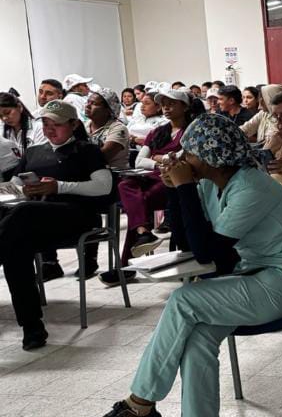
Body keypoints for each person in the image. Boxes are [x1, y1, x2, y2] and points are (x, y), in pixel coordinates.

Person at [75, 114, 282, 417]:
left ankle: (139, 406)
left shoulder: (252, 186)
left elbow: (212, 253)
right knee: (197, 340)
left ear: (211, 156)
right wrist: (180, 192)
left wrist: (184, 188)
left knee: (183, 301)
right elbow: (187, 241)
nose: (180, 160)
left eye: (188, 153)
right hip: (251, 275)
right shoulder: (211, 184)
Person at [1, 100, 114, 348]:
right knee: (14, 249)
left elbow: (104, 186)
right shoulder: (34, 152)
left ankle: (33, 328)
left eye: (57, 125)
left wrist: (59, 186)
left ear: (73, 125)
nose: (50, 129)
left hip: (78, 217)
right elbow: (13, 184)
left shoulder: (86, 151)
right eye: (45, 123)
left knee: (23, 213)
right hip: (36, 221)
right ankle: (32, 328)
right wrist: (23, 189)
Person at [105, 89, 203, 286]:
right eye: (163, 103)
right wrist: (159, 162)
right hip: (150, 177)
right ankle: (143, 233)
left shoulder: (193, 130)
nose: (166, 107)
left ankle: (127, 262)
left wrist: (159, 159)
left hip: (174, 180)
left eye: (171, 103)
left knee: (138, 206)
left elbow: (179, 158)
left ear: (184, 106)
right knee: (125, 185)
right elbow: (140, 161)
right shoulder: (158, 132)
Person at [85, 88, 131, 170]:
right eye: (88, 102)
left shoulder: (119, 128)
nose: (88, 106)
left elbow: (102, 157)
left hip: (115, 176)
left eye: (94, 103)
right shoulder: (85, 126)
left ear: (108, 110)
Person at [240, 84, 282, 150]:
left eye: (263, 99)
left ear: (271, 100)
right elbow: (246, 128)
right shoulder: (264, 113)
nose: (260, 103)